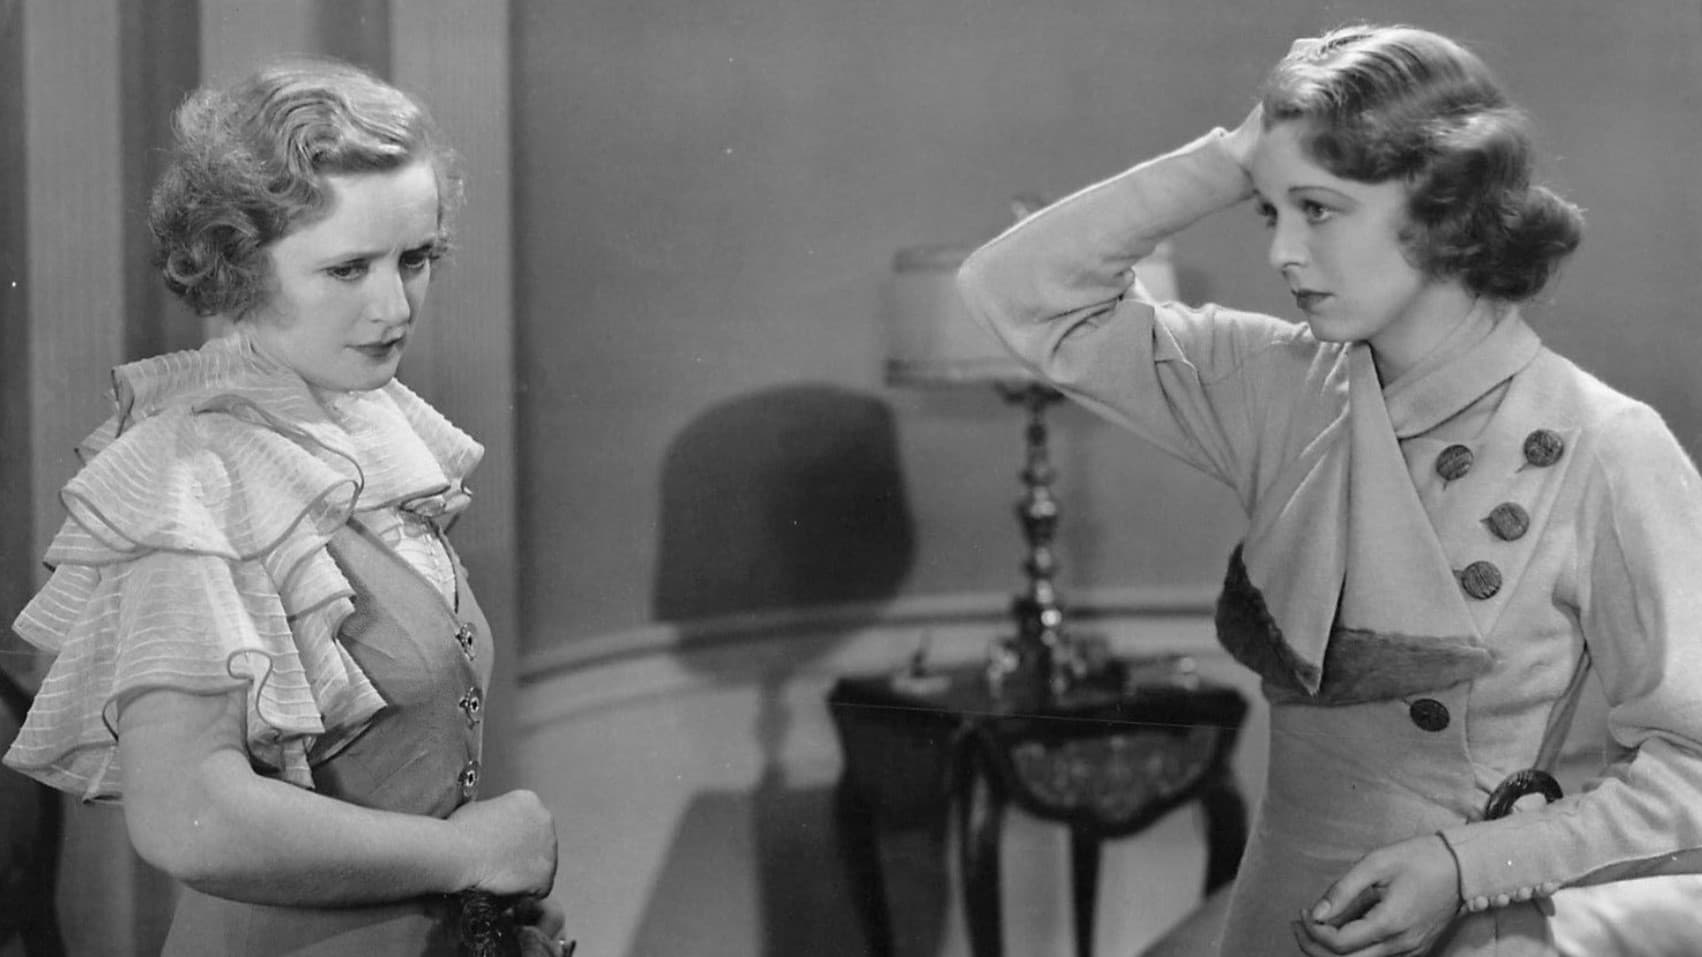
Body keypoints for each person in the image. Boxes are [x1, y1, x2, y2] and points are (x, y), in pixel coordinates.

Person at [957, 23, 1702, 957]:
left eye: (1318, 209)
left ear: (1442, 204)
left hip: (1458, 930)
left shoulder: (1606, 444)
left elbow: (1695, 770)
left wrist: (1467, 866)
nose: (1282, 252)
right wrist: (1236, 156)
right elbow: (1014, 290)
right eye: (1270, 213)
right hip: (1274, 922)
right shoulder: (1281, 388)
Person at [3, 57, 569, 956]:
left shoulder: (358, 429)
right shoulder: (195, 477)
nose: (394, 305)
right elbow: (187, 816)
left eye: (415, 258)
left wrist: (487, 907)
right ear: (240, 266)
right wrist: (468, 854)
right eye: (347, 268)